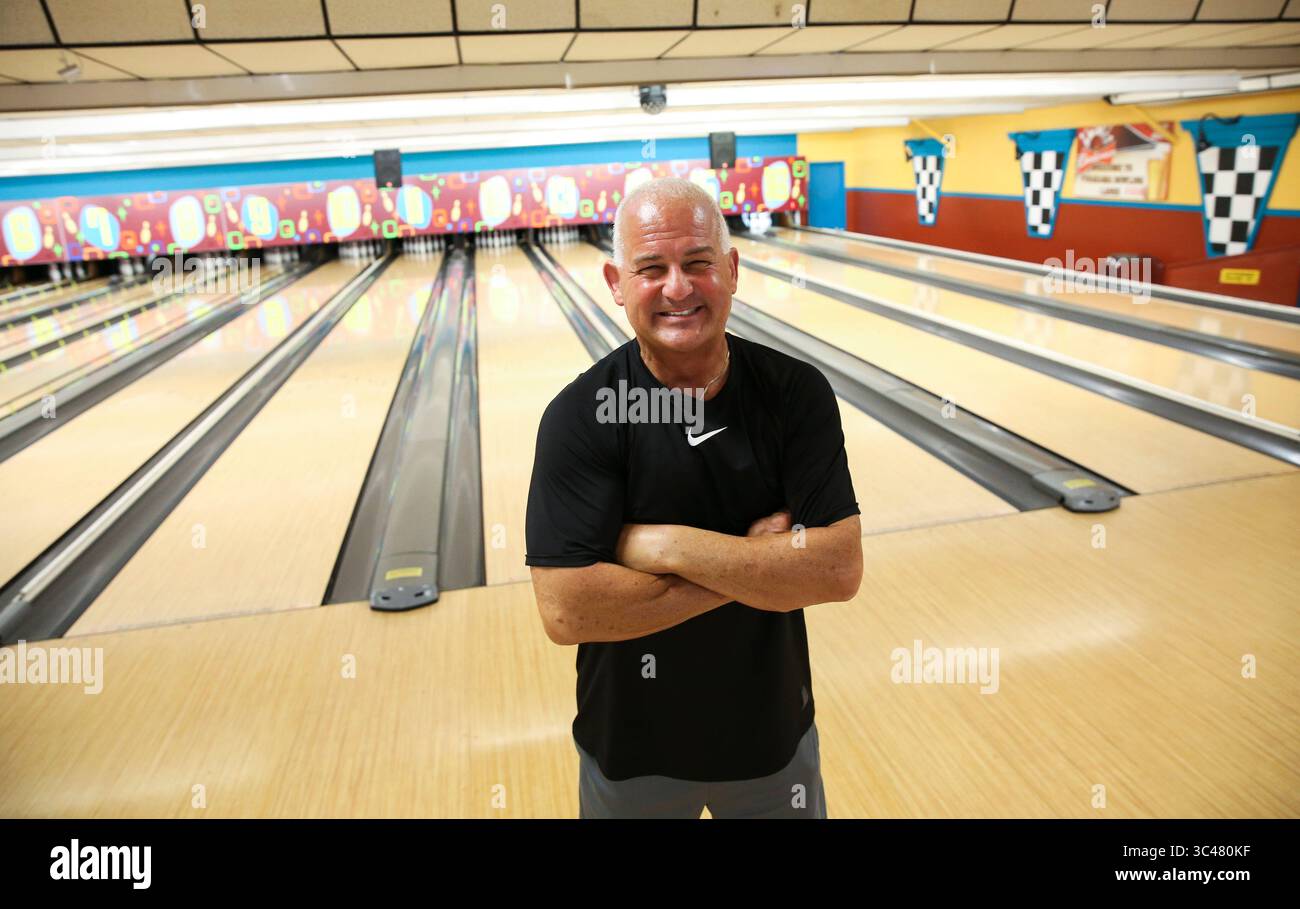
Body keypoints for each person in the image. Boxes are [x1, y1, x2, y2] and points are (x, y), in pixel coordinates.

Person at [524, 176, 862, 819]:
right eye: (651, 268)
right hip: (629, 748)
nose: (677, 287)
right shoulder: (580, 417)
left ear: (731, 269)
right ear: (616, 284)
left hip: (773, 739)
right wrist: (760, 565)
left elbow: (837, 569)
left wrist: (666, 546)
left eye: (698, 262)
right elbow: (568, 612)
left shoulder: (795, 394)